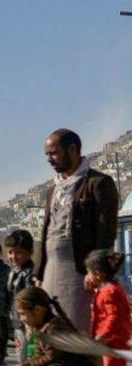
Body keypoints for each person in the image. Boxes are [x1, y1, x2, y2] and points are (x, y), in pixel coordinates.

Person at [36, 129, 119, 335]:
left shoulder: (97, 183)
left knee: (79, 328)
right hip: (51, 271)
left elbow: (105, 231)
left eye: (53, 153)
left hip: (80, 272)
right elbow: (46, 232)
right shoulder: (53, 190)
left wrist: (95, 270)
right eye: (46, 155)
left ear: (72, 149)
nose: (49, 159)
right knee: (52, 327)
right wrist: (39, 273)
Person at [2, 286, 99, 366]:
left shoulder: (54, 328)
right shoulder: (39, 328)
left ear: (38, 310)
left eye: (22, 314)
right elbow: (38, 356)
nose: (21, 319)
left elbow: (51, 357)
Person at [84, 249, 132, 366]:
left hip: (114, 339)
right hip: (111, 339)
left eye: (88, 272)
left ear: (98, 274)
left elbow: (113, 316)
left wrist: (102, 335)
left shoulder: (109, 291)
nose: (87, 276)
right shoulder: (106, 288)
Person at [5, 230, 36, 364]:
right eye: (10, 252)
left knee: (31, 354)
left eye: (18, 252)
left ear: (29, 252)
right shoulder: (13, 272)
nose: (13, 256)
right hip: (17, 320)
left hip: (29, 321)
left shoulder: (32, 273)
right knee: (21, 354)